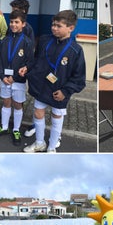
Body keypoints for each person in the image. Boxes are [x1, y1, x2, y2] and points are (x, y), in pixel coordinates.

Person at [23, 10, 86, 153]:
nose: (54, 28)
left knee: (56, 116)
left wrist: (66, 91)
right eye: (53, 25)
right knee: (38, 113)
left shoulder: (76, 50)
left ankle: (51, 147)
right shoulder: (44, 40)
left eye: (58, 26)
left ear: (71, 28)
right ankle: (39, 143)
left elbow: (79, 77)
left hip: (59, 91)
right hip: (42, 87)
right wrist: (27, 69)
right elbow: (36, 60)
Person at [0, 10, 35, 146]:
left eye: (16, 22)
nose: (13, 24)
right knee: (6, 102)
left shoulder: (27, 42)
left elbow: (29, 62)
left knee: (17, 104)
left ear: (23, 24)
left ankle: (16, 129)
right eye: (11, 22)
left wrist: (15, 77)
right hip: (5, 79)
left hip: (18, 81)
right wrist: (1, 75)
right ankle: (4, 127)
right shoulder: (4, 40)